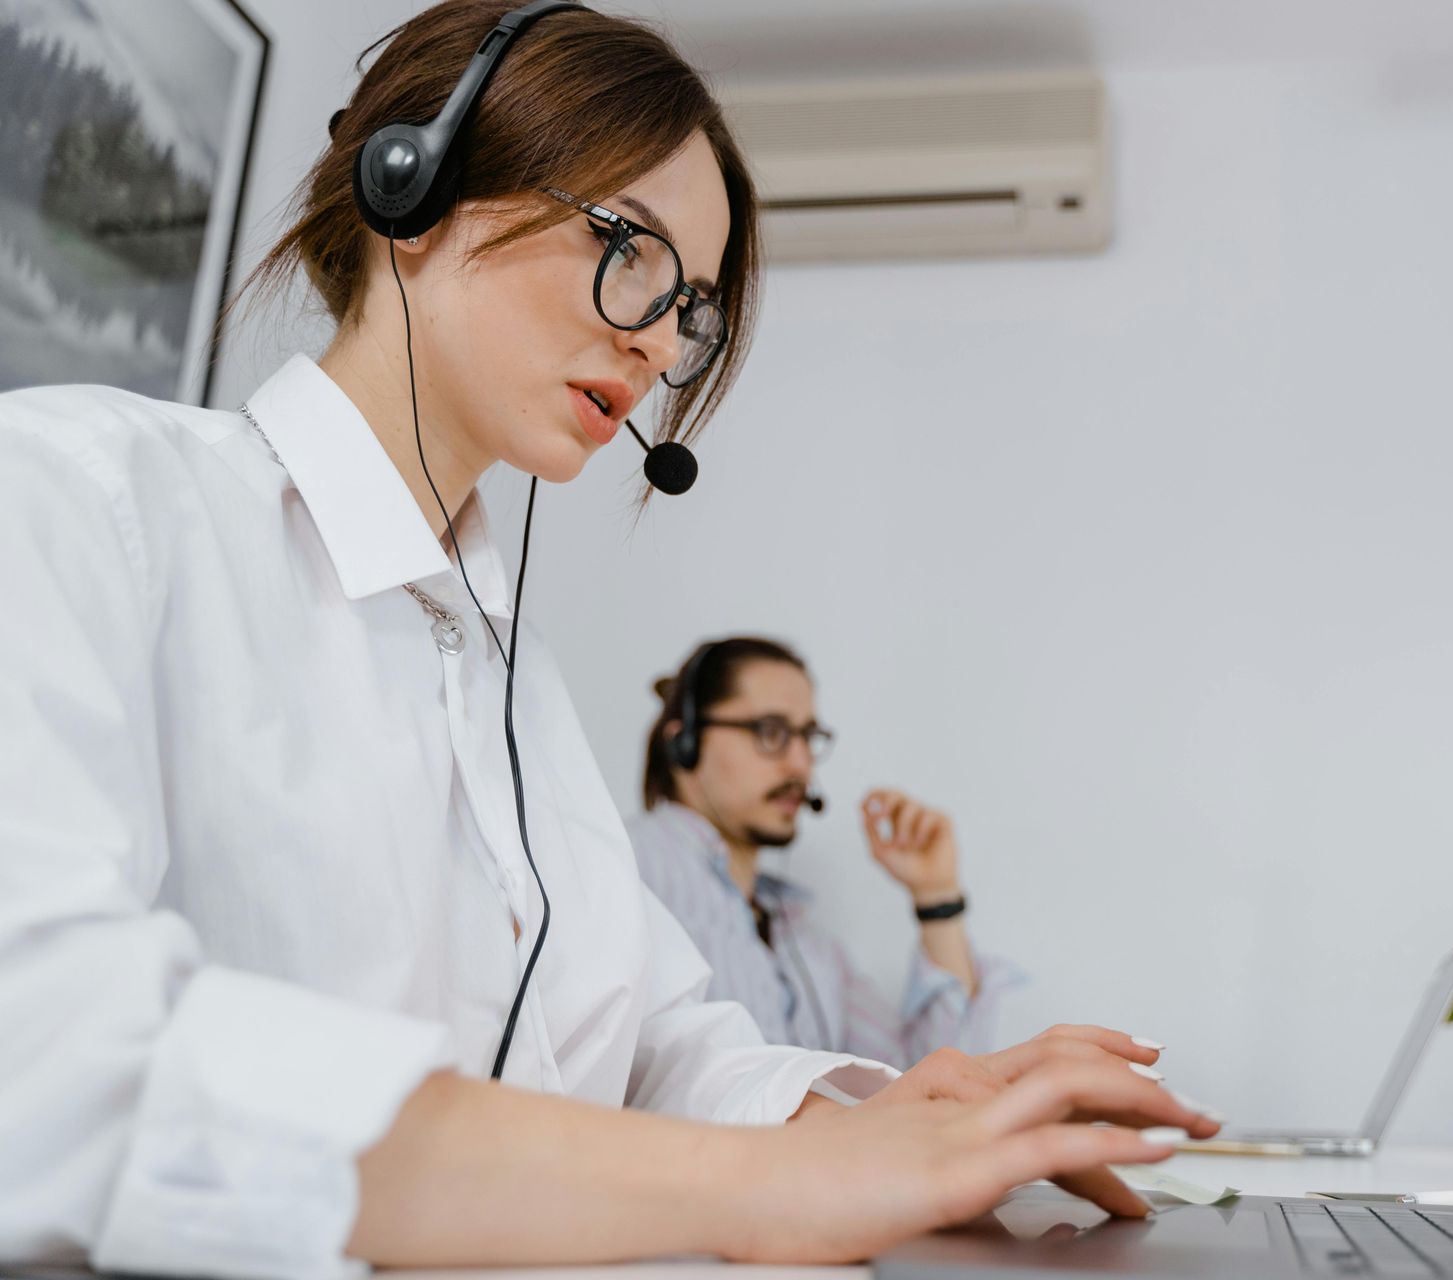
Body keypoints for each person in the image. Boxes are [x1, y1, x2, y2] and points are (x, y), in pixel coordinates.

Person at [0, 3, 1220, 1277]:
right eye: (629, 249)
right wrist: (778, 1182)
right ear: (412, 185)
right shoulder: (77, 499)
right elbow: (45, 1047)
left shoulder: (502, 668)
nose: (654, 338)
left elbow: (654, 1044)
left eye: (687, 304)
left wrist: (899, 1126)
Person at [630, 636, 1022, 1064]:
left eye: (807, 736)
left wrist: (937, 896)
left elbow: (931, 1082)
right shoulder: (627, 871)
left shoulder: (806, 942)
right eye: (771, 732)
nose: (800, 765)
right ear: (684, 741)